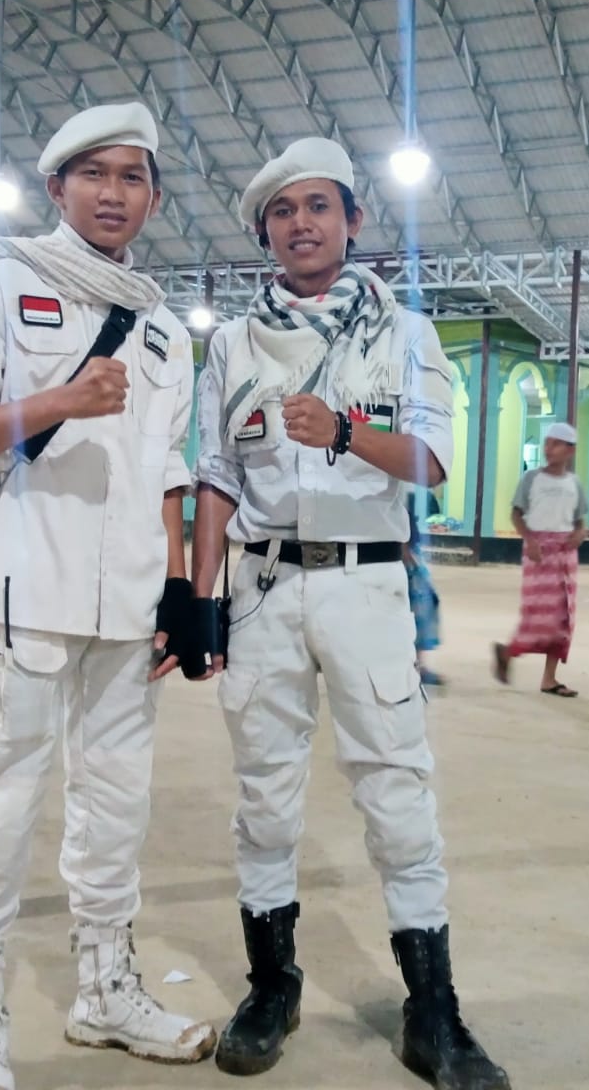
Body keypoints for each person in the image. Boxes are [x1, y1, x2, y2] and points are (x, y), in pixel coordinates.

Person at [188, 136, 510, 1089]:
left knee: (396, 793)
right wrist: (198, 599)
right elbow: (214, 476)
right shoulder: (232, 344)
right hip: (263, 589)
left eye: (318, 206)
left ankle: (432, 1012)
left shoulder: (406, 334)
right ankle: (271, 985)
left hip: (367, 587)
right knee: (264, 795)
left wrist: (345, 431)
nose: (301, 224)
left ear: (353, 221)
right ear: (265, 233)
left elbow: (434, 463)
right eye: (282, 212)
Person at [0, 101, 216, 1090]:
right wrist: (57, 401)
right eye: (94, 174)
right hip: (22, 593)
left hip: (127, 608)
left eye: (133, 177)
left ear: (154, 197)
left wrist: (179, 590)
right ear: (56, 187)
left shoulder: (163, 327)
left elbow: (168, 470)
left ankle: (106, 991)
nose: (113, 194)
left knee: (117, 806)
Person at [492, 422, 587, 698]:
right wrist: (530, 540)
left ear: (570, 450)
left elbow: (580, 521)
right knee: (537, 615)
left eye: (556, 444)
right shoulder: (531, 478)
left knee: (562, 617)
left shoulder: (574, 484)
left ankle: (549, 678)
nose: (548, 449)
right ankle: (508, 652)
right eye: (547, 443)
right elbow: (516, 515)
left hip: (565, 555)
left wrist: (579, 534)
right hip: (538, 554)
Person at [405, 505, 446, 688]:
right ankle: (414, 666)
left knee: (421, 609)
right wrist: (408, 557)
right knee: (417, 612)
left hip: (409, 549)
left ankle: (417, 665)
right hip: (404, 554)